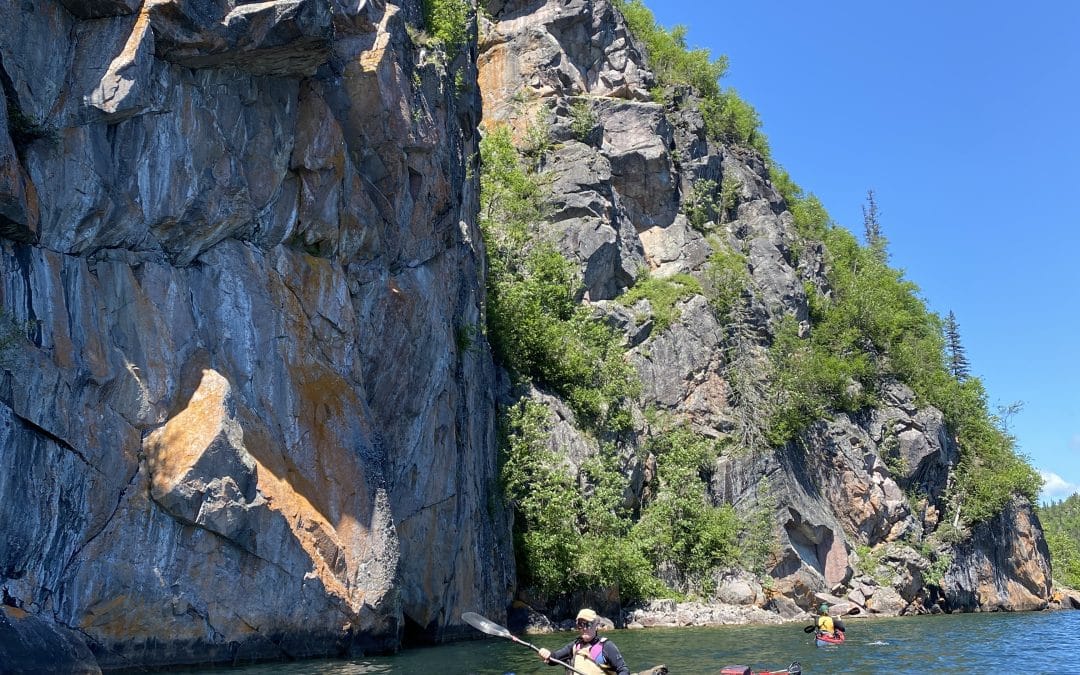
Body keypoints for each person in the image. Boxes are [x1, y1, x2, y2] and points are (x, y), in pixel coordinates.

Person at [538, 608, 630, 675]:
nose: (584, 628)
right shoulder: (575, 646)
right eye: (580, 625)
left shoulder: (606, 646)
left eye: (588, 624)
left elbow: (623, 670)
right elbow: (555, 658)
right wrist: (548, 654)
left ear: (596, 625)